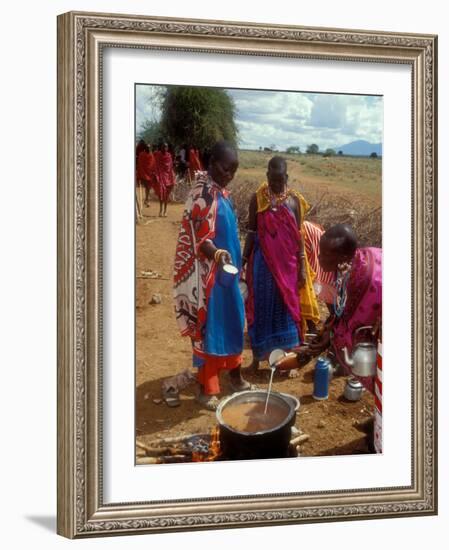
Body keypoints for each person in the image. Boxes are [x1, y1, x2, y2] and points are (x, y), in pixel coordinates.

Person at [173, 141, 250, 410]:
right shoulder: (202, 194)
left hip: (227, 276)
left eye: (234, 170)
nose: (229, 174)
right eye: (225, 168)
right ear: (211, 162)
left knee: (234, 323)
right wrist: (217, 254)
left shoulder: (220, 191)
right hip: (208, 279)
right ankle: (208, 388)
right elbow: (199, 238)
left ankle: (236, 377)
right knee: (211, 330)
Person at [242, 156, 320, 371]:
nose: (276, 185)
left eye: (280, 180)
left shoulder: (294, 202)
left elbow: (299, 238)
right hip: (262, 265)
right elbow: (251, 232)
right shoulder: (257, 199)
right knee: (260, 309)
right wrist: (243, 260)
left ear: (287, 177)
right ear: (267, 176)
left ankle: (290, 361)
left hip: (288, 268)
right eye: (272, 180)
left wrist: (303, 268)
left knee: (288, 310)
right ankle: (257, 360)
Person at [309, 224, 382, 394]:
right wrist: (328, 331)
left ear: (341, 256)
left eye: (325, 254)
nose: (319, 258)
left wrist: (329, 338)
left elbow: (353, 325)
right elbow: (343, 309)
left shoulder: (368, 280)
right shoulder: (346, 265)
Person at [154, 142, 176, 217]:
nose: (164, 148)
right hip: (161, 176)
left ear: (167, 148)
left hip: (168, 177)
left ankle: (165, 211)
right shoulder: (158, 155)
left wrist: (172, 176)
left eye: (166, 147)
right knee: (161, 194)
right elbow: (156, 166)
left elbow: (170, 167)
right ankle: (160, 210)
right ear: (161, 147)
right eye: (163, 147)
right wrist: (157, 175)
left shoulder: (169, 156)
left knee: (166, 195)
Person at [136, 143, 157, 207]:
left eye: (149, 148)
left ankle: (146, 200)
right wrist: (140, 172)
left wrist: (154, 172)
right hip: (143, 173)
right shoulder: (141, 155)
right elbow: (140, 164)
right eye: (147, 148)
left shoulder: (151, 155)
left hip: (150, 174)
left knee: (148, 188)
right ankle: (146, 200)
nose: (148, 149)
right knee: (146, 187)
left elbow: (153, 164)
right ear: (145, 148)